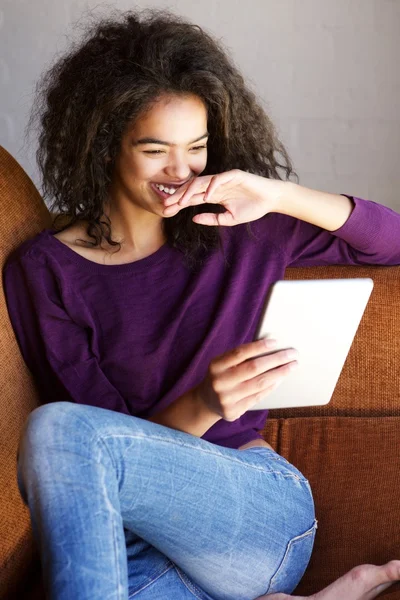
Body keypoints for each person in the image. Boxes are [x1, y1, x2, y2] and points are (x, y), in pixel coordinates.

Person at [3, 9, 400, 600]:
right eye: (155, 149)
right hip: (139, 535)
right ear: (104, 143)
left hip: (256, 513)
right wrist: (203, 402)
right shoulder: (45, 273)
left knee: (54, 428)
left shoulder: (244, 227)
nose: (180, 170)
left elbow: (391, 242)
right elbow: (108, 451)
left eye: (197, 147)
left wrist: (276, 193)